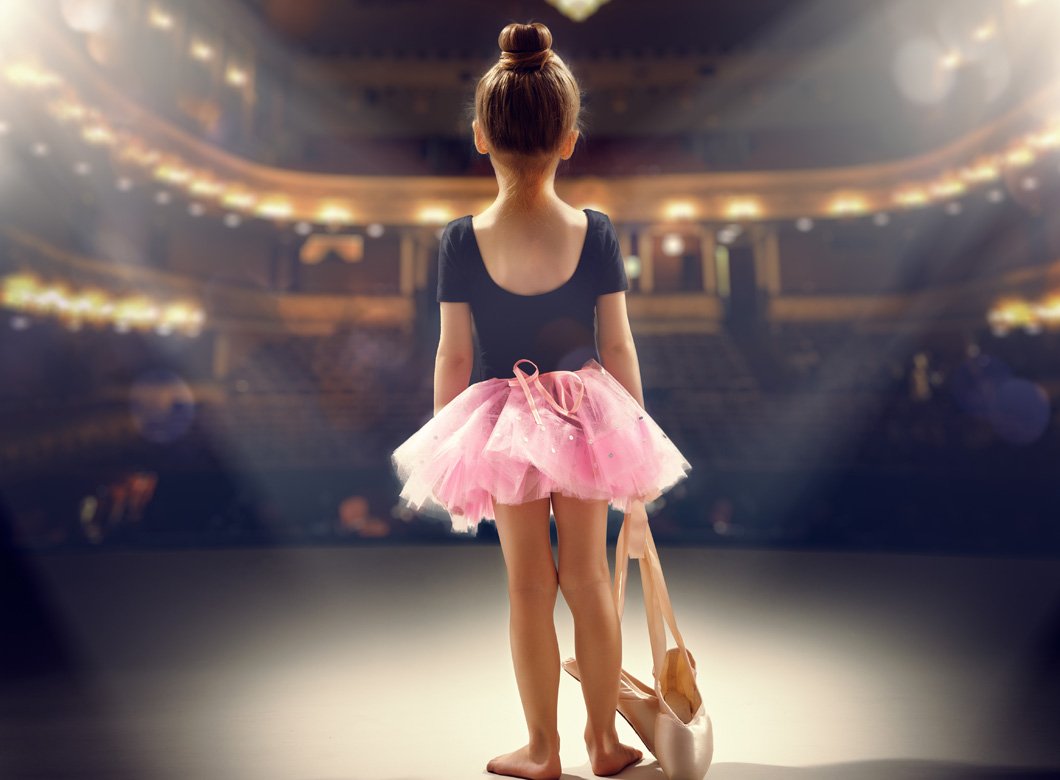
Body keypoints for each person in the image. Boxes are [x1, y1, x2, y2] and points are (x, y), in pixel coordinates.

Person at [390, 21, 692, 780]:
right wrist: (638, 438)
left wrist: (441, 441)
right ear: (569, 139)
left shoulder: (462, 239)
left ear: (480, 137)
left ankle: (542, 748)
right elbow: (617, 346)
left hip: (500, 425)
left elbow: (453, 354)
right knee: (588, 580)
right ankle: (605, 743)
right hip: (588, 417)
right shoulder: (595, 231)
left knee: (529, 587)